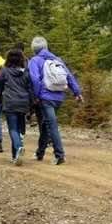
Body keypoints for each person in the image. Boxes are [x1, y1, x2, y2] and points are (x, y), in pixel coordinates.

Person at [28, 36, 82, 165]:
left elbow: (35, 80)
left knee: (51, 125)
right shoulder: (57, 59)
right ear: (46, 47)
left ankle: (59, 155)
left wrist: (36, 96)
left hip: (45, 98)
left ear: (33, 49)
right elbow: (69, 76)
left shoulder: (35, 60)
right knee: (45, 124)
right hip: (59, 97)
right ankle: (39, 153)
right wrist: (77, 92)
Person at [0, 49, 33, 166]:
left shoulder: (4, 71)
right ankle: (15, 156)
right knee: (19, 129)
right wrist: (31, 104)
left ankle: (18, 147)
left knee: (13, 129)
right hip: (23, 103)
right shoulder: (26, 72)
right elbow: (30, 88)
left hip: (10, 102)